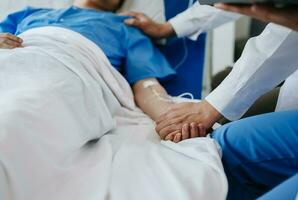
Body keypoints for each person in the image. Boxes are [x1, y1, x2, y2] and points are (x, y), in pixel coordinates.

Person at [125, 2, 298, 199]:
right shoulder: (125, 23)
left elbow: (145, 83)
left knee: (214, 151)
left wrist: (191, 115)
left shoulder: (125, 29)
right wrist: (168, 28)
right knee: (221, 146)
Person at [0, 0, 196, 121]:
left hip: (69, 72)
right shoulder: (29, 13)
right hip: (14, 59)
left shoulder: (127, 27)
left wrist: (170, 117)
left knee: (18, 112)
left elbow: (146, 85)